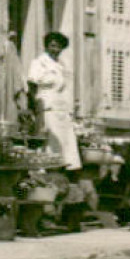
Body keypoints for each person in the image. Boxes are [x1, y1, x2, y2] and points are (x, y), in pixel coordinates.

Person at [28, 31, 82, 170]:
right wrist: (33, 107)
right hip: (47, 106)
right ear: (46, 46)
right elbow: (32, 84)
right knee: (49, 141)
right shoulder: (39, 62)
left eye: (58, 47)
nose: (55, 49)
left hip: (61, 108)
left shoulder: (61, 65)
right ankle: (45, 169)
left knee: (64, 143)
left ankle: (60, 168)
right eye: (52, 46)